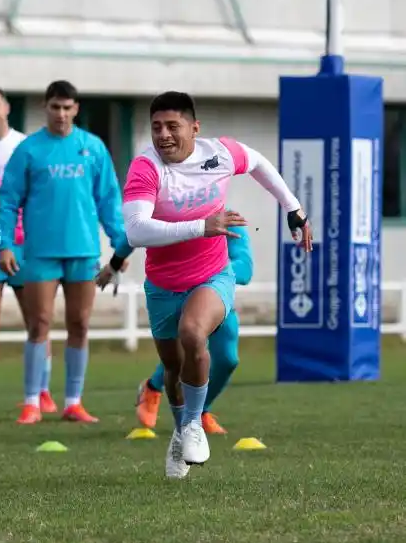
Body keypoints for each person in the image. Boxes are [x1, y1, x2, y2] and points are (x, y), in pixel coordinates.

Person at [121, 91, 312, 479]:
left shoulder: (220, 153)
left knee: (194, 333)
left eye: (172, 126)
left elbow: (257, 163)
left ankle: (193, 424)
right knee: (172, 369)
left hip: (211, 274)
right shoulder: (145, 167)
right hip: (163, 285)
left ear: (194, 128)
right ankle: (181, 432)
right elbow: (137, 231)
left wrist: (293, 207)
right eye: (156, 127)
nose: (164, 135)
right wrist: (202, 226)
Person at [0, 80, 130, 425]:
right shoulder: (29, 149)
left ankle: (73, 401)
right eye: (55, 107)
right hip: (41, 252)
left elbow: (109, 200)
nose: (61, 113)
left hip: (83, 251)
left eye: (67, 107)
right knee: (39, 323)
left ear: (76, 109)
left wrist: (120, 242)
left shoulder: (93, 147)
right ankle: (31, 401)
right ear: (46, 107)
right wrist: (6, 244)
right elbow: (8, 200)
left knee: (80, 324)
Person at [0, 85, 55, 417]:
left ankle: (42, 392)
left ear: (6, 107)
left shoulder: (25, 147)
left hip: (26, 245)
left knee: (38, 321)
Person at [126, 217, 253, 434]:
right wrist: (116, 261)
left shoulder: (229, 220)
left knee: (228, 360)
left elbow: (245, 267)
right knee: (184, 352)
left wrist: (211, 272)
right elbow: (136, 230)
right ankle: (156, 391)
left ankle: (199, 410)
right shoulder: (176, 217)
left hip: (217, 297)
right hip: (176, 297)